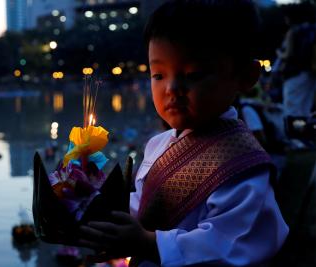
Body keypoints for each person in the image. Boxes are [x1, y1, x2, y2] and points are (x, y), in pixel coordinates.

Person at [77, 1, 289, 266]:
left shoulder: (243, 164)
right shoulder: (158, 144)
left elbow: (234, 244)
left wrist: (146, 243)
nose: (172, 87)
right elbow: (144, 206)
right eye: (158, 75)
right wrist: (95, 213)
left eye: (193, 74)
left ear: (245, 76)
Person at [276, 2, 316, 118]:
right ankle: (305, 133)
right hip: (310, 72)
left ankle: (294, 134)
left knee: (292, 108)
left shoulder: (294, 31)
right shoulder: (311, 29)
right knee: (305, 107)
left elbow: (288, 54)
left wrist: (279, 53)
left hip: (294, 73)